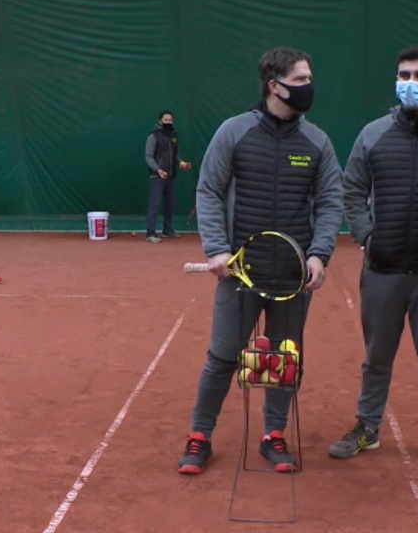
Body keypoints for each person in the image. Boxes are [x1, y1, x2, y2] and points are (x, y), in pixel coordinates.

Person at [177, 47, 343, 475]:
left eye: (309, 78)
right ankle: (200, 436)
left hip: (292, 277)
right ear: (275, 85)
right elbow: (209, 191)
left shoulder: (317, 142)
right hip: (239, 274)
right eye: (301, 79)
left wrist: (320, 254)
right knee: (223, 356)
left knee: (283, 358)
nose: (309, 87)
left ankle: (274, 435)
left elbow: (330, 202)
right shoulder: (233, 133)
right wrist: (216, 249)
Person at [328, 45, 418, 468]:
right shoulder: (373, 134)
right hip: (382, 269)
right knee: (377, 357)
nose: (411, 82)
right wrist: (366, 234)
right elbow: (351, 189)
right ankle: (367, 427)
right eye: (404, 74)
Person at [144, 111, 190, 242]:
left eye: (170, 120)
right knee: (155, 204)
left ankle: (167, 230)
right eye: (166, 119)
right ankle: (150, 233)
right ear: (160, 121)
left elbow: (174, 154)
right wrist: (158, 170)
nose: (168, 122)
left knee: (170, 204)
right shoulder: (153, 136)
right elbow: (148, 156)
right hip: (157, 176)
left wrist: (181, 163)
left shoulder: (174, 135)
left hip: (171, 175)